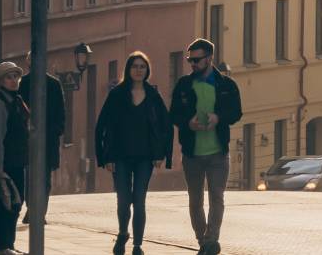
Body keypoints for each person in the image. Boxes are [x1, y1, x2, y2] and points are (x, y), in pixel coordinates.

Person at [168, 39, 242, 255]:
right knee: (195, 200)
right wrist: (188, 123)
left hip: (218, 152)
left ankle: (212, 239)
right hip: (192, 153)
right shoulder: (184, 85)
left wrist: (218, 117)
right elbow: (173, 114)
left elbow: (236, 112)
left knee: (217, 197)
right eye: (190, 59)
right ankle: (203, 240)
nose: (192, 63)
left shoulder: (226, 85)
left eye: (197, 60)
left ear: (209, 58)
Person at [95, 52, 173, 255]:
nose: (139, 70)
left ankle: (138, 245)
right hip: (120, 156)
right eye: (135, 66)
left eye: (142, 67)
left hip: (145, 157)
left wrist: (162, 155)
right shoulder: (117, 94)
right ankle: (122, 234)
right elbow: (102, 125)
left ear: (147, 71)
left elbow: (166, 125)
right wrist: (105, 157)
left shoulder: (153, 95)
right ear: (128, 70)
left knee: (139, 200)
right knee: (123, 199)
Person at [18, 50, 65, 226]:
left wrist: (55, 132)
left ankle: (40, 212)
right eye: (32, 59)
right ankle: (32, 208)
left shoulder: (54, 84)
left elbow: (61, 112)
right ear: (28, 62)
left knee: (44, 179)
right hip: (27, 139)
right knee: (29, 177)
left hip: (48, 139)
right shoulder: (23, 84)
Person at [0, 62, 28, 255]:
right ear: (1, 81)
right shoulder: (0, 104)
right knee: (8, 204)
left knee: (16, 203)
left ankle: (7, 245)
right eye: (9, 77)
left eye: (16, 76)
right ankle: (1, 246)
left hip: (18, 161)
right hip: (6, 164)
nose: (14, 81)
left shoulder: (17, 100)